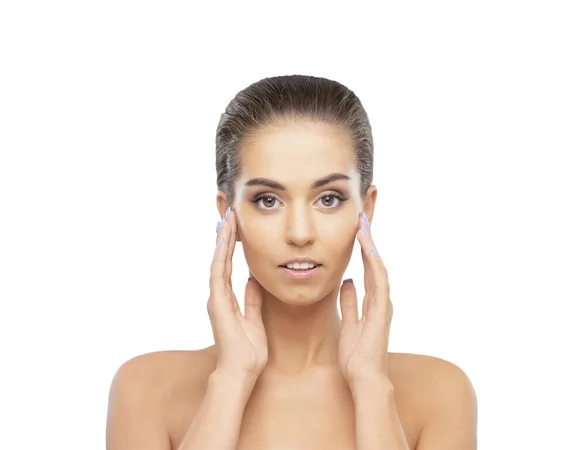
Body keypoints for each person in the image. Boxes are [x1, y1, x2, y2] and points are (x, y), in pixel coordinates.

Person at [105, 74, 478, 450]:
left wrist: (371, 385)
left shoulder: (440, 394)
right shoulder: (146, 389)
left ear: (365, 209)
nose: (300, 233)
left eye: (328, 198)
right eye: (268, 200)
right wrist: (231, 379)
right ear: (228, 214)